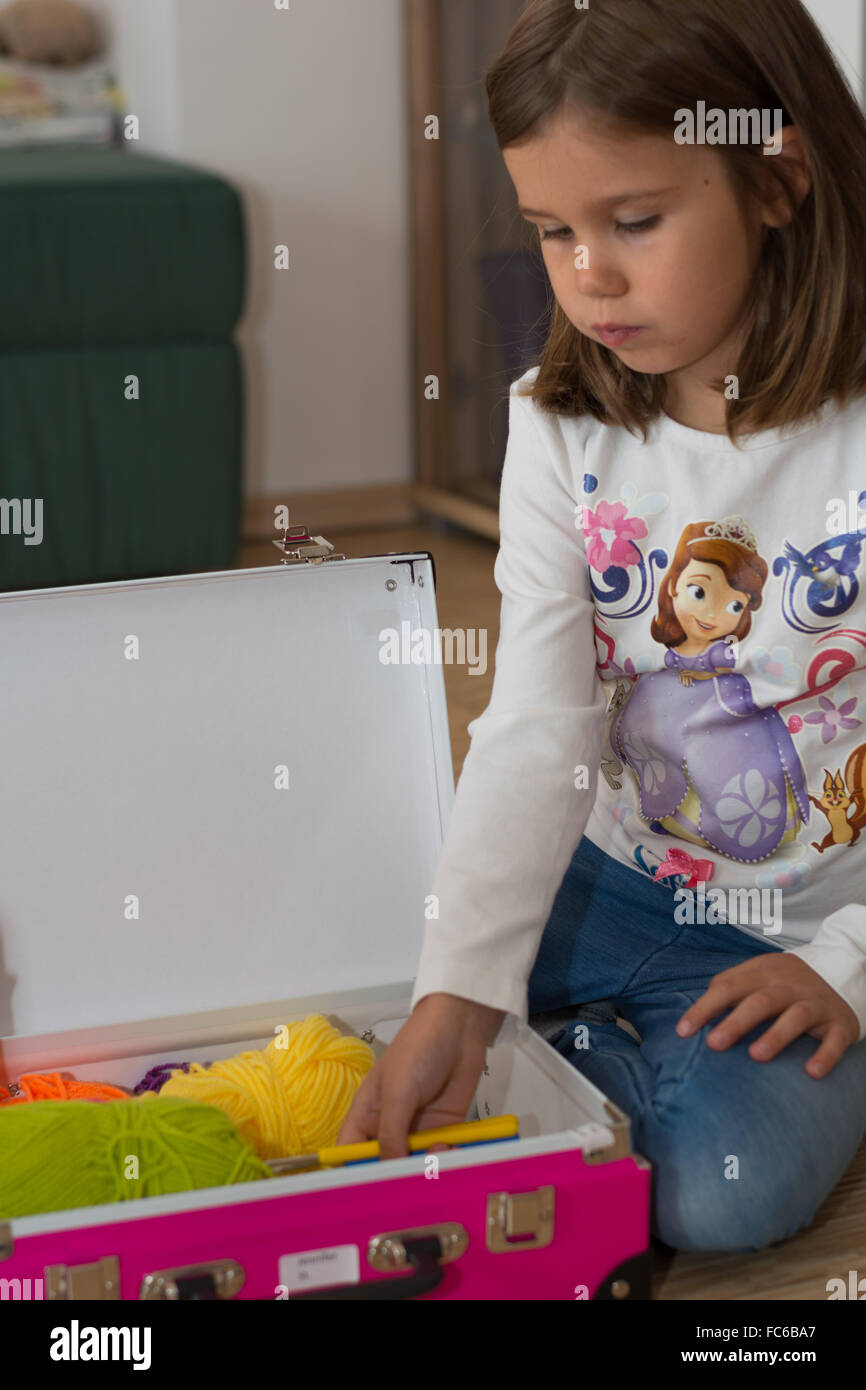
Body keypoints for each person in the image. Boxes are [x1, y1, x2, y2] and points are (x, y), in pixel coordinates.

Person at [338, 0, 866, 1253]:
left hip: (799, 927)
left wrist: (844, 966)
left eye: (633, 221)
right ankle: (552, 1041)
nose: (588, 278)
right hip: (606, 878)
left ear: (775, 178)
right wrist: (462, 995)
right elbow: (534, 717)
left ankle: (569, 1059)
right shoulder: (558, 421)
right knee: (406, 975)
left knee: (720, 1194)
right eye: (550, 232)